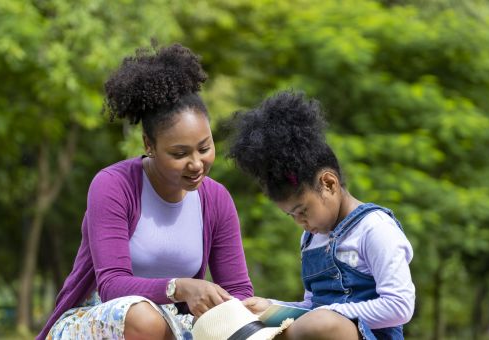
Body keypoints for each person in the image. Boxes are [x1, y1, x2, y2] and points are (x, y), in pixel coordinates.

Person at [37, 43, 253, 340]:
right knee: (145, 319)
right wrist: (179, 287)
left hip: (176, 325)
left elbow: (239, 289)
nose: (196, 164)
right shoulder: (113, 186)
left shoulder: (216, 200)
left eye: (205, 148)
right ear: (148, 145)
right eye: (179, 154)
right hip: (100, 319)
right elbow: (112, 283)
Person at [228, 91, 415, 340]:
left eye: (302, 211)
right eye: (290, 215)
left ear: (328, 184)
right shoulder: (310, 239)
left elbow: (399, 306)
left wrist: (330, 314)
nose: (300, 223)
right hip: (321, 327)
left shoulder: (375, 228)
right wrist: (272, 307)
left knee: (321, 324)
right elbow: (312, 308)